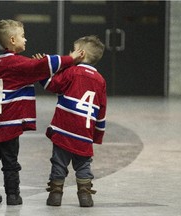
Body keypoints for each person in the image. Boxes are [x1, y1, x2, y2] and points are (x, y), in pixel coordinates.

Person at [0, 19, 83, 206]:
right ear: (12, 40)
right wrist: (72, 58)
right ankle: (13, 195)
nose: (25, 40)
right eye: (22, 36)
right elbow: (45, 64)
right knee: (11, 161)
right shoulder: (18, 64)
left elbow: (33, 69)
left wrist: (36, 66)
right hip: (10, 123)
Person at [39, 35, 107, 207]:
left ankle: (55, 195)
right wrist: (96, 136)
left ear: (81, 54)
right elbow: (102, 110)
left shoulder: (71, 72)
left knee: (59, 163)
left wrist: (41, 70)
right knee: (83, 164)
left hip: (64, 129)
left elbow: (50, 85)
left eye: (73, 49)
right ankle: (85, 196)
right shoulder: (100, 81)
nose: (70, 53)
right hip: (84, 134)